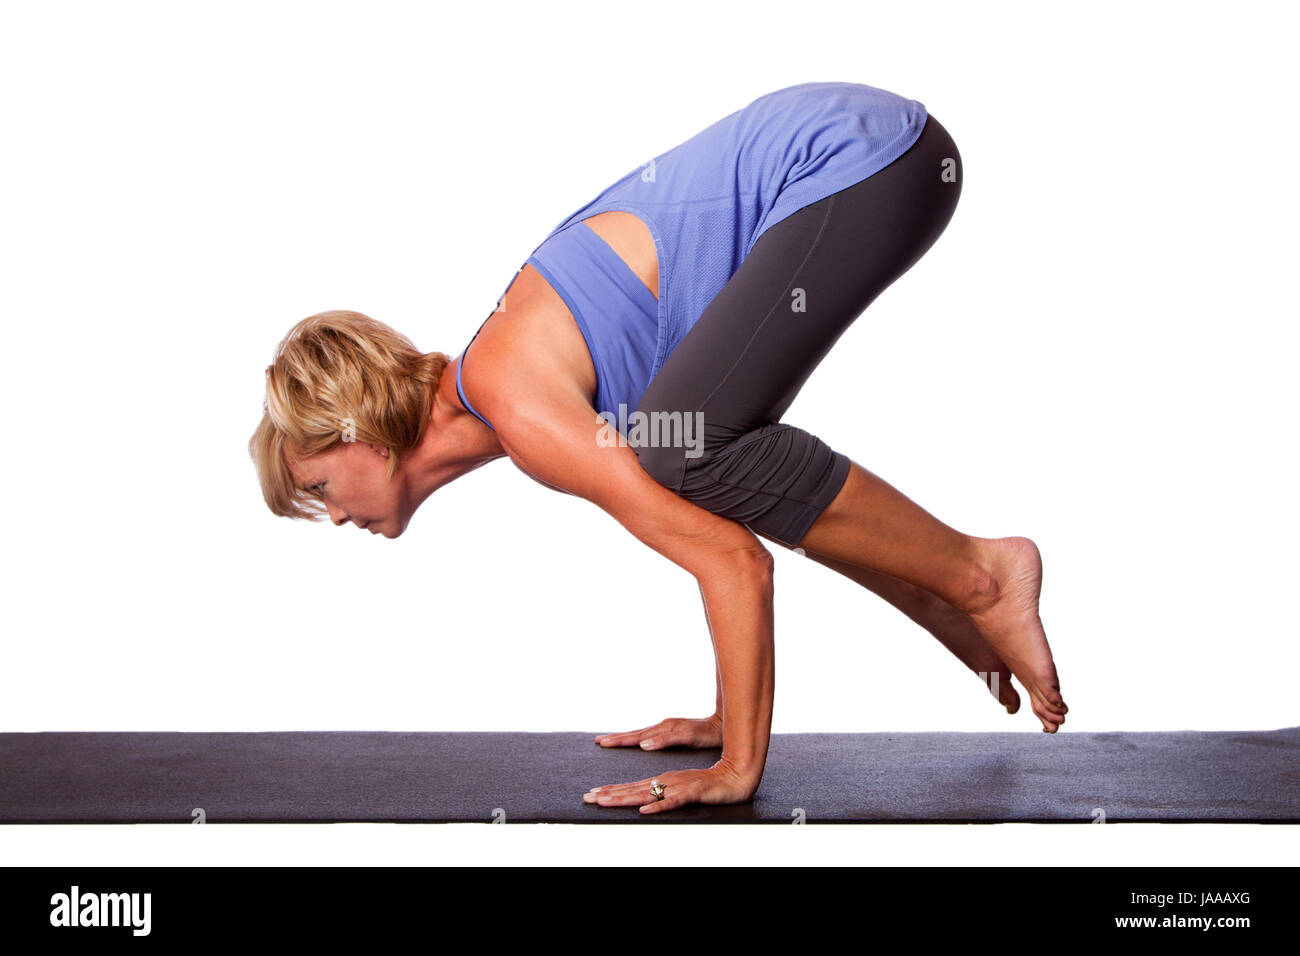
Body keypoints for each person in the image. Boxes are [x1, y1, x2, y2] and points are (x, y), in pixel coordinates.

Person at [248, 81, 1068, 816]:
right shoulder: (523, 396)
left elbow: (734, 564)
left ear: (361, 434)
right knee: (687, 450)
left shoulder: (517, 403)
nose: (329, 514)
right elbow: (726, 518)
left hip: (863, 159)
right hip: (877, 162)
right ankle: (942, 591)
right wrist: (725, 714)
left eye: (317, 486)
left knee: (686, 446)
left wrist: (737, 765)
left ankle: (981, 572)